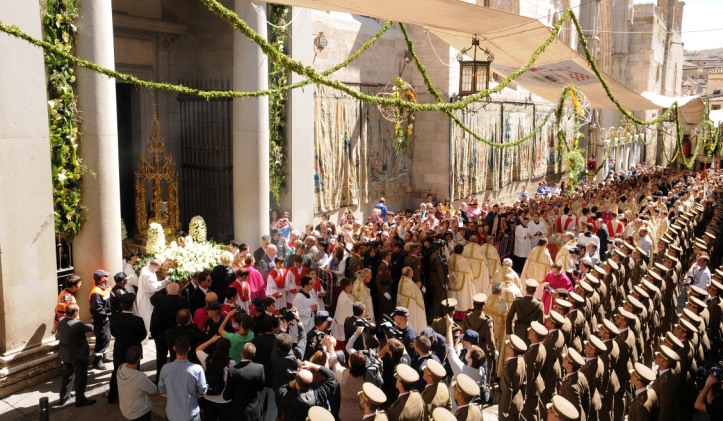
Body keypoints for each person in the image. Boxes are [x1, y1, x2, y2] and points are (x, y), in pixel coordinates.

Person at [108, 293, 147, 404]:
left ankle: (112, 395)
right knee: (134, 373)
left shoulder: (114, 319)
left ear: (121, 305)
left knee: (117, 371)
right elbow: (143, 335)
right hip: (134, 350)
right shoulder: (138, 320)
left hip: (120, 349)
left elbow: (113, 333)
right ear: (132, 306)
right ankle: (133, 395)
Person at [158, 335, 208, 421]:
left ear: (174, 348)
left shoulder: (165, 368)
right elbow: (202, 390)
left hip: (171, 414)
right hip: (191, 414)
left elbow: (162, 390)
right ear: (189, 348)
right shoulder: (197, 369)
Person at [57, 304, 95, 407]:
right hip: (78, 356)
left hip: (66, 354)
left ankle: (64, 398)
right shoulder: (77, 324)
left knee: (67, 376)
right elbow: (90, 328)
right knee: (80, 378)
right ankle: (80, 399)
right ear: (75, 313)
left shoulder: (61, 321)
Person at [150, 282, 189, 377]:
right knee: (174, 354)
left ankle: (160, 376)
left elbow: (153, 297)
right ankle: (174, 376)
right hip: (175, 332)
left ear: (167, 290)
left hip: (160, 332)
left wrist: (164, 288)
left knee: (161, 355)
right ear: (178, 291)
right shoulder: (183, 300)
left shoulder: (159, 299)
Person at [224, 343, 265, 421]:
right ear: (254, 355)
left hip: (237, 412)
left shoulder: (233, 370)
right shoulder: (260, 368)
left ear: (241, 353)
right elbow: (261, 387)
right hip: (254, 412)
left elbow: (227, 395)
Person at [195, 335, 233, 421]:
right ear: (228, 349)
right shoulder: (231, 363)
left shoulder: (207, 359)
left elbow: (198, 349)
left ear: (216, 347)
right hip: (223, 400)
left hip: (207, 397)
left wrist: (211, 340)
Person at [117, 346, 157, 421]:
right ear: (139, 358)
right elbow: (153, 390)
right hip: (139, 413)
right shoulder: (140, 377)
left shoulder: (120, 368)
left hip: (125, 409)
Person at [506, 279, 544, 344]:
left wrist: (509, 332)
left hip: (519, 330)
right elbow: (541, 323)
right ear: (536, 291)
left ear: (526, 289)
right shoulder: (539, 304)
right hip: (532, 333)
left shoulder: (517, 301)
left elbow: (509, 317)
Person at [499, 335, 527, 421]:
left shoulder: (508, 368)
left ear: (511, 351)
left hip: (510, 405)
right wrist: (524, 397)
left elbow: (507, 390)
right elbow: (524, 382)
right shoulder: (521, 360)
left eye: (508, 345)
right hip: (518, 401)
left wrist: (505, 409)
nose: (506, 346)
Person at [137, 259, 170, 333]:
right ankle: (149, 332)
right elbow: (155, 287)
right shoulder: (147, 274)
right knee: (148, 315)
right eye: (158, 268)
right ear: (152, 266)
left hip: (145, 294)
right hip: (146, 297)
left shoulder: (146, 268)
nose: (158, 270)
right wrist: (165, 281)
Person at [89, 269, 113, 370]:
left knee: (106, 337)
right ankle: (97, 361)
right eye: (105, 276)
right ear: (100, 279)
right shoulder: (96, 292)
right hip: (101, 320)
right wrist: (105, 317)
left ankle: (104, 356)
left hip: (107, 317)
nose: (107, 277)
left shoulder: (105, 288)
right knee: (102, 339)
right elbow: (97, 308)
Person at [448, 244, 477, 312]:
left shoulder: (450, 258)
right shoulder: (463, 260)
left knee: (453, 295)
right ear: (462, 251)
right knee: (460, 296)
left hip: (451, 280)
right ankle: (460, 311)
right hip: (461, 281)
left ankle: (450, 310)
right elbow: (468, 271)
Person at [397, 266, 426, 332]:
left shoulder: (402, 280)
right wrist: (417, 287)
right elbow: (415, 293)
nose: (413, 273)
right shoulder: (409, 282)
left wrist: (415, 286)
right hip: (410, 307)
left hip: (403, 306)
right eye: (412, 271)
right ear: (409, 273)